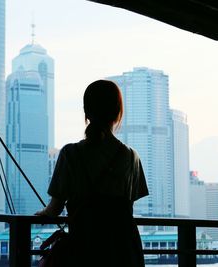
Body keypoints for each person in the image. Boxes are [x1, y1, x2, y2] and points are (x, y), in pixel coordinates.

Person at [36, 80, 148, 267]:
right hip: (124, 251)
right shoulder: (131, 157)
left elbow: (54, 209)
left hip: (85, 249)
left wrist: (44, 213)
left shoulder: (70, 154)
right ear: (118, 114)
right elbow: (127, 205)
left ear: (86, 113)